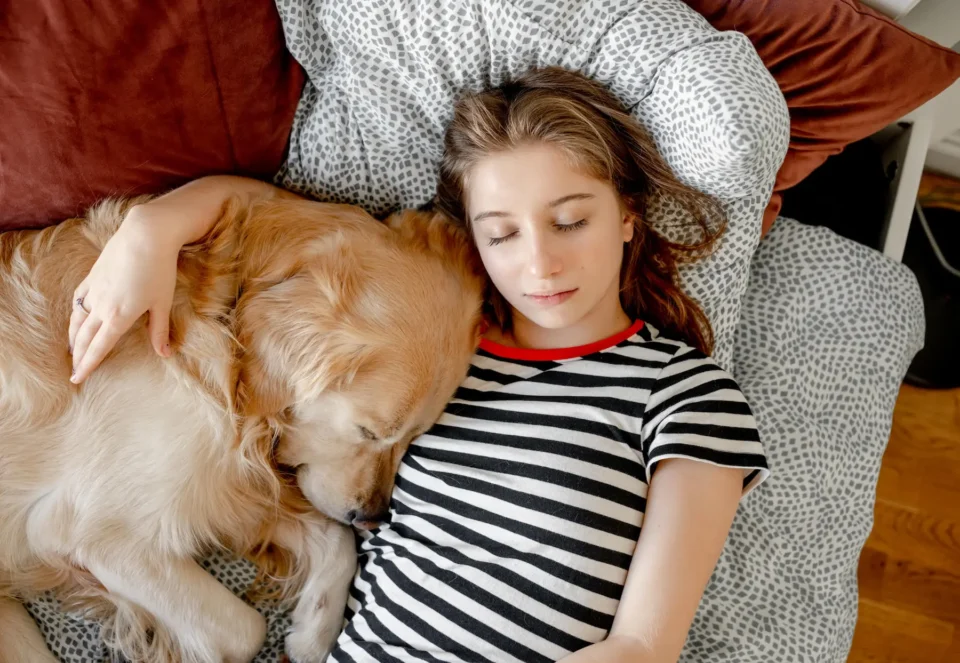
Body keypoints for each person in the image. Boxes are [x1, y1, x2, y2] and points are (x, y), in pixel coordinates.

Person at [69, 67, 768, 663]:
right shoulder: (442, 340)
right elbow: (282, 227)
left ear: (627, 215)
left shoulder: (684, 393)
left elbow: (643, 646)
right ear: (475, 242)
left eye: (570, 220)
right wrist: (150, 229)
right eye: (501, 233)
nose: (539, 263)